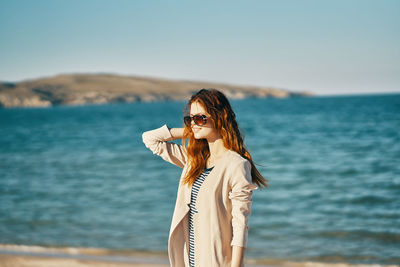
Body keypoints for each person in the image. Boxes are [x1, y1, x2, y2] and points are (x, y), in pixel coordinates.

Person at [142, 88, 267, 267]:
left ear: (219, 118)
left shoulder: (237, 165)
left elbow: (240, 224)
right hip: (188, 260)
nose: (193, 123)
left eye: (200, 118)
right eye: (190, 119)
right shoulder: (193, 159)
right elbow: (150, 139)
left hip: (216, 261)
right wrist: (190, 130)